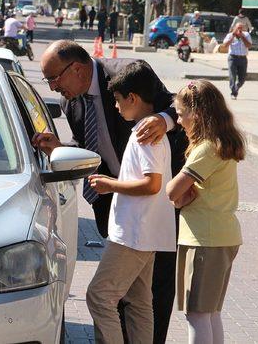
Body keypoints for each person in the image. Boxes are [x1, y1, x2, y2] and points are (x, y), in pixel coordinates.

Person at [32, 40, 188, 344]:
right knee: (135, 296)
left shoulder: (127, 74)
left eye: (54, 78)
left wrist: (162, 119)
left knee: (138, 291)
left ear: (75, 68)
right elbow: (90, 148)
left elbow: (180, 105)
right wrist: (60, 148)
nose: (52, 88)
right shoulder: (71, 102)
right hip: (121, 210)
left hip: (157, 206)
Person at [85, 61, 176, 344]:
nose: (115, 106)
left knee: (99, 296)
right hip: (146, 231)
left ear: (133, 98)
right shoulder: (149, 132)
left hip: (133, 233)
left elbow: (152, 184)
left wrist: (109, 184)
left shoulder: (143, 135)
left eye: (118, 100)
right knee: (138, 301)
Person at [166, 80, 245, 344]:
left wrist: (177, 195)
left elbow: (172, 191)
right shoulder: (221, 143)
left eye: (180, 114)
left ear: (196, 115)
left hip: (203, 238)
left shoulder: (206, 148)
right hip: (220, 235)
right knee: (210, 314)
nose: (178, 121)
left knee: (197, 314)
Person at [222, 23, 252, 100]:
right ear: (235, 28)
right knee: (232, 76)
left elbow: (249, 45)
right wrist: (233, 36)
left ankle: (236, 87)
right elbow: (225, 45)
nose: (239, 29)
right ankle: (233, 93)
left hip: (243, 58)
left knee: (242, 78)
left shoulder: (246, 35)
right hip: (232, 58)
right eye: (238, 28)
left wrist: (243, 37)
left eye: (241, 28)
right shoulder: (230, 35)